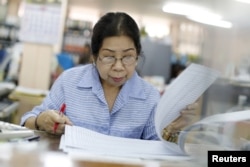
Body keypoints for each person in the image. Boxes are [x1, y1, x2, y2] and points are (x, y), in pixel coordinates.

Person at [21, 12, 198, 141]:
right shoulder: (69, 82)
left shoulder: (149, 96)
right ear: (94, 56)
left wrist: (173, 128)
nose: (119, 67)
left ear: (137, 55)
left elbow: (155, 145)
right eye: (109, 57)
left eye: (128, 57)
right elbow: (27, 121)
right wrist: (40, 121)